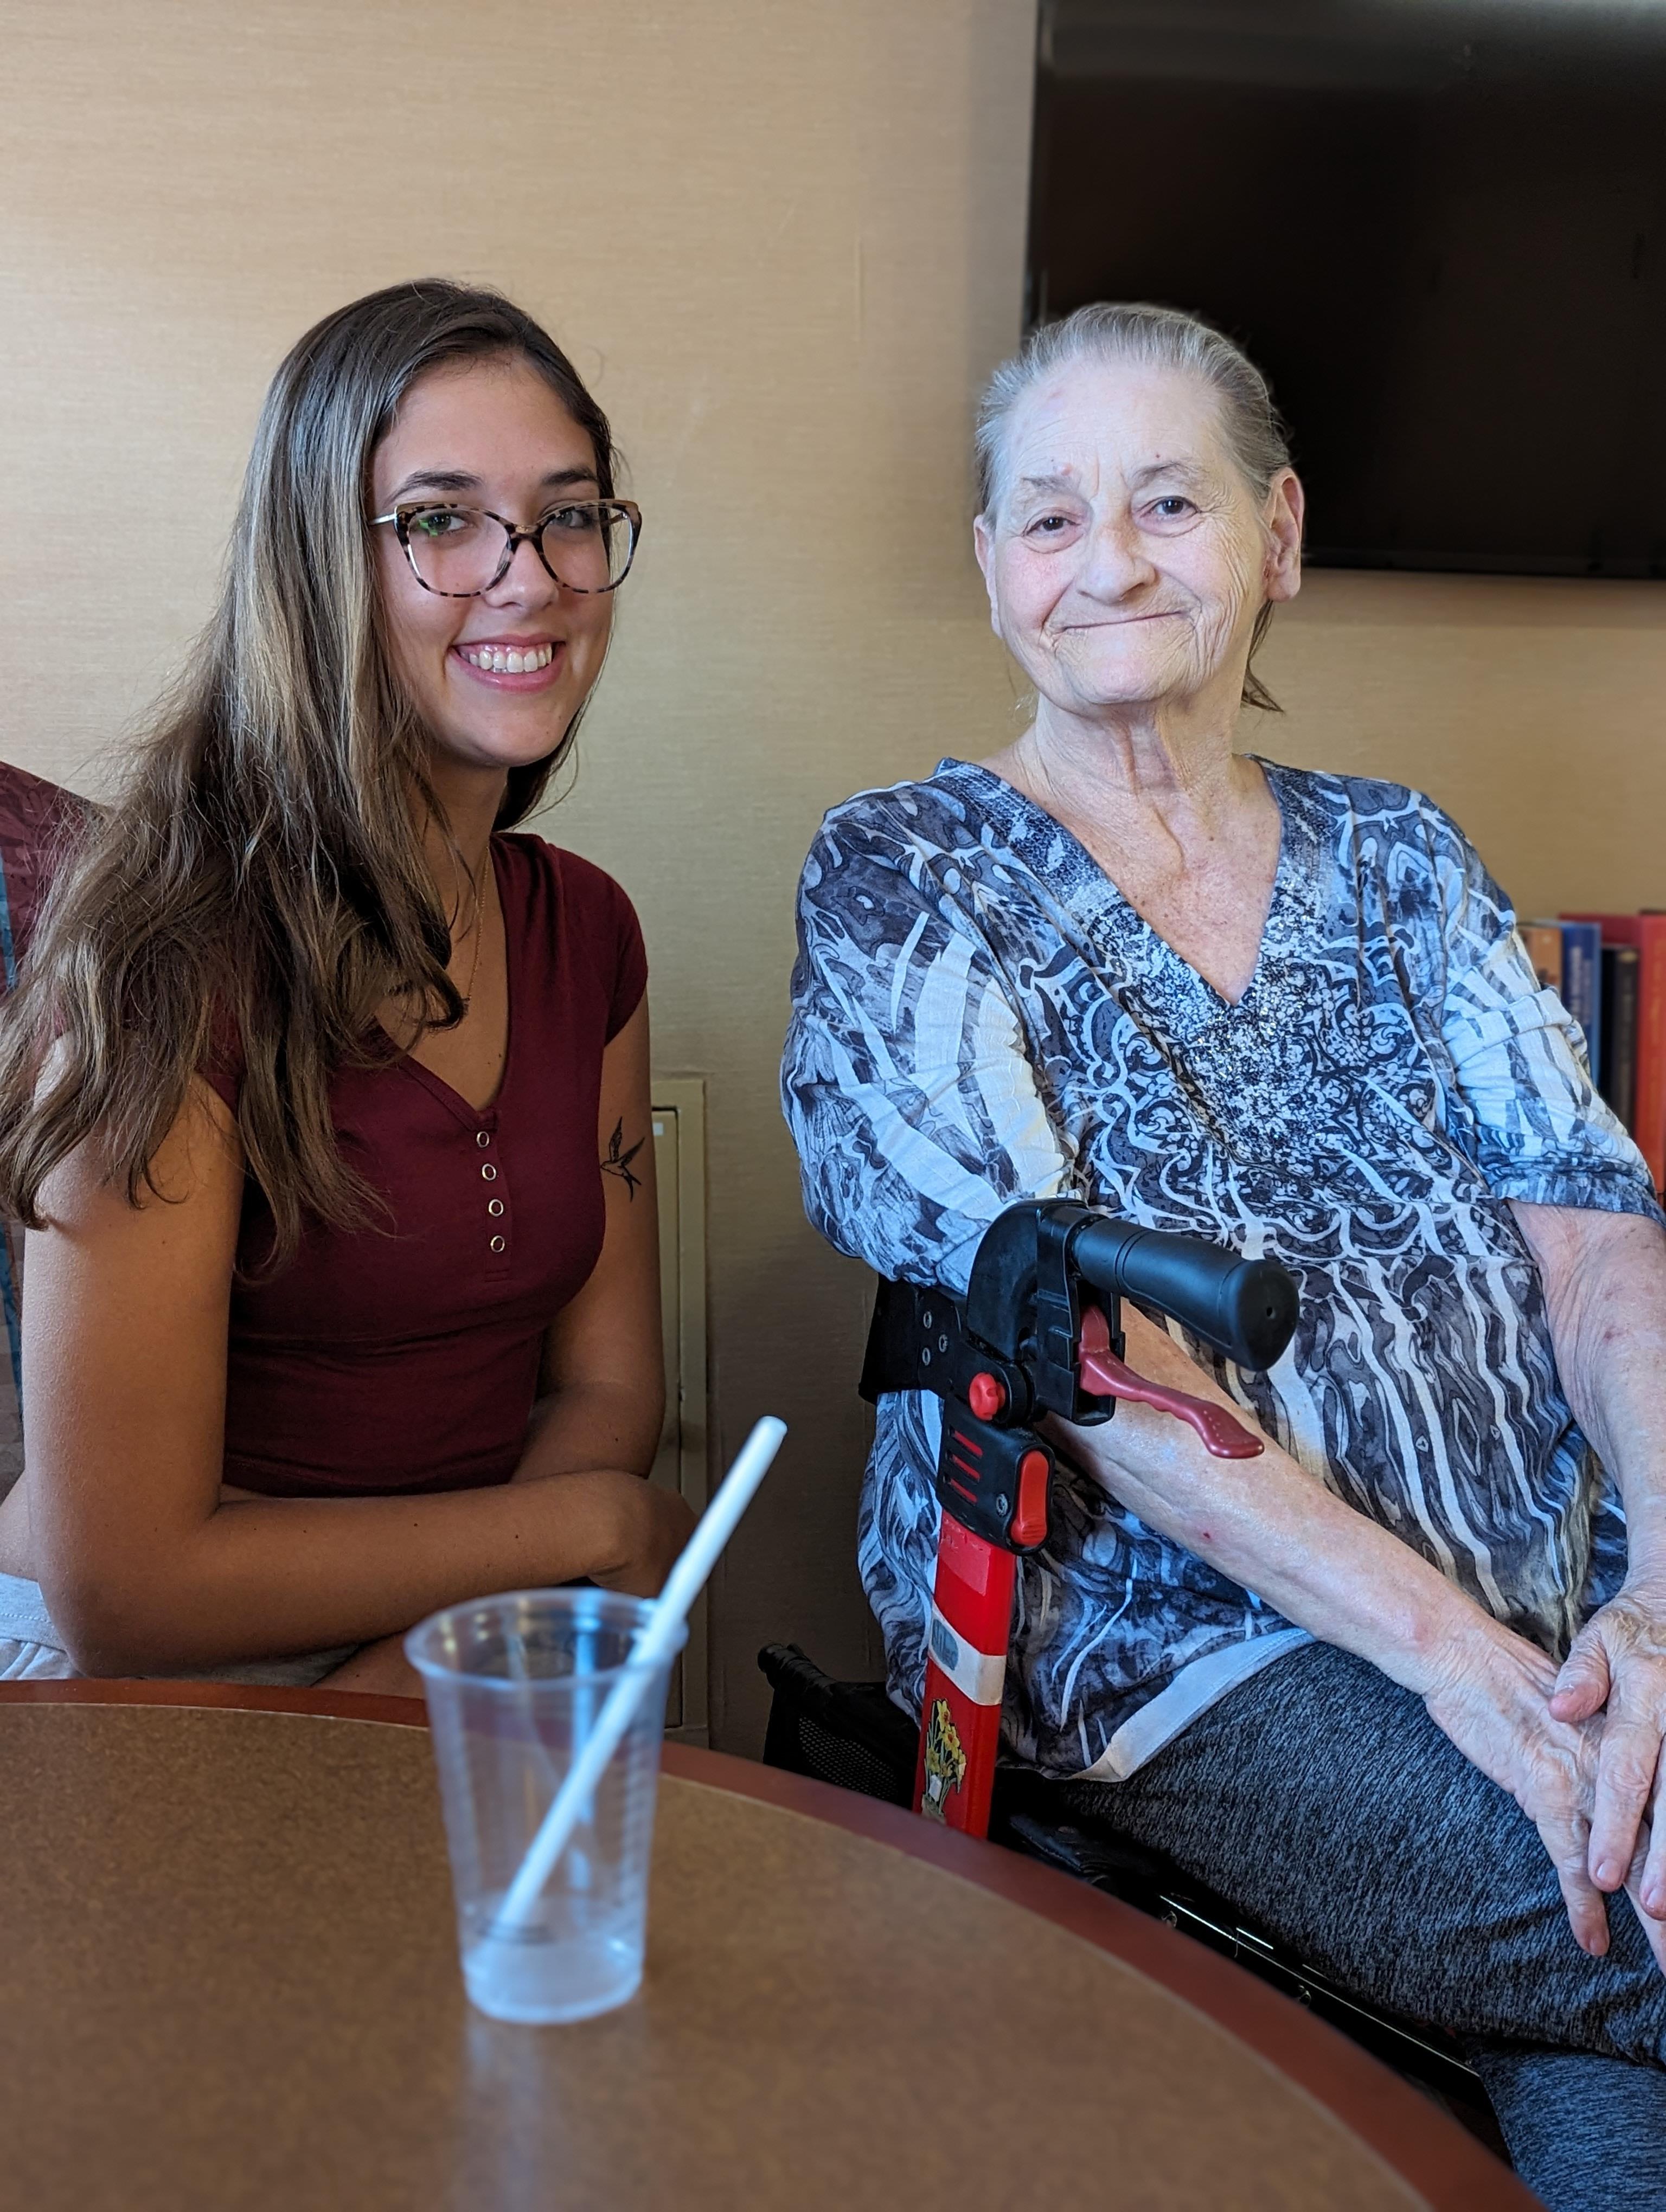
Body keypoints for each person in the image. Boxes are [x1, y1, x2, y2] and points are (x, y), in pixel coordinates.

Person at [781, 302, 1666, 2209]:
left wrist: (1661, 1601)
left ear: (1277, 537)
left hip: (1558, 1589)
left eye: (1168, 503)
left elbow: (1600, 1248)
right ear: (992, 572)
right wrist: (1474, 1679)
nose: (1108, 560)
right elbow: (1078, 1355)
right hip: (1186, 1644)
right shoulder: (910, 876)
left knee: (1595, 2026)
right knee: (1640, 1925)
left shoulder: (1404, 859)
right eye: (1049, 517)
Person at [0, 279, 693, 1692]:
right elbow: (127, 1589)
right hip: (160, 1680)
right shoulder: (163, 964)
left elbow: (609, 1391)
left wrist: (441, 1657)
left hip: (467, 1639)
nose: (531, 575)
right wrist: (583, 1532)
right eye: (440, 520)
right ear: (318, 559)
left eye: (570, 513)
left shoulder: (590, 933)